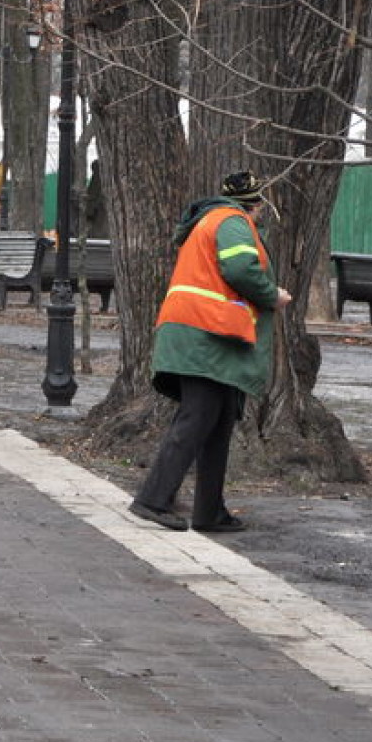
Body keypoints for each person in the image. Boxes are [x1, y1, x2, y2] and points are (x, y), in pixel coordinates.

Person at [128, 170, 292, 533]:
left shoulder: (211, 220)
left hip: (206, 332)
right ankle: (152, 499)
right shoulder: (232, 222)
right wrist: (272, 296)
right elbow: (240, 269)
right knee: (198, 417)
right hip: (207, 333)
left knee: (217, 420)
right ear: (258, 204)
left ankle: (209, 511)